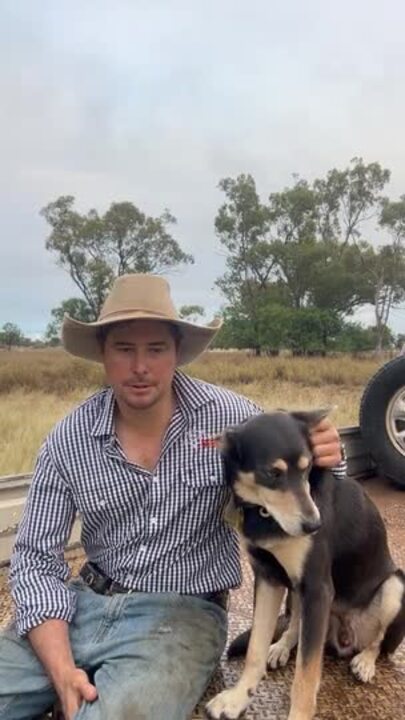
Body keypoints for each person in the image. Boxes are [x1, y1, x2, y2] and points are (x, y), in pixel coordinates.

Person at [0, 274, 345, 720]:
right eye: (124, 349)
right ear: (103, 355)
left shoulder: (232, 419)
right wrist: (62, 670)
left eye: (156, 349)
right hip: (82, 600)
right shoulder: (69, 439)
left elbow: (305, 468)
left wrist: (329, 456)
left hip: (182, 616)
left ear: (177, 352)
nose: (140, 366)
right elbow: (34, 558)